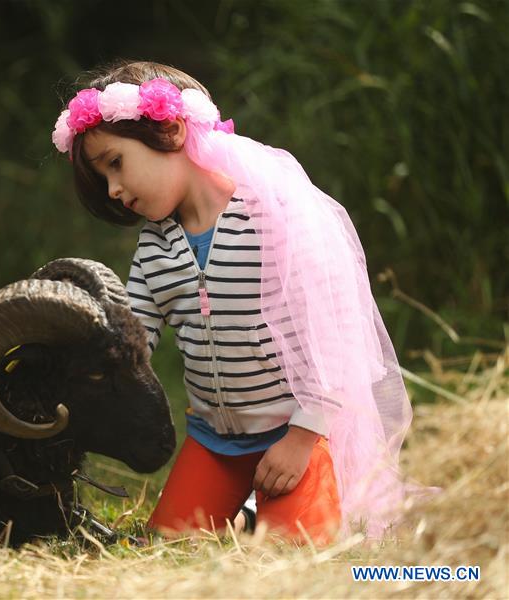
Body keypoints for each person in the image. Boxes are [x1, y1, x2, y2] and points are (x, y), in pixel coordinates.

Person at [50, 60, 413, 545]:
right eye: (103, 180)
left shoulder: (272, 214)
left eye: (115, 163)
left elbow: (335, 333)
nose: (114, 190)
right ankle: (242, 512)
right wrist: (72, 364)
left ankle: (262, 511)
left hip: (290, 435)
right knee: (169, 547)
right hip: (213, 441)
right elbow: (130, 337)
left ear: (172, 130)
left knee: (290, 557)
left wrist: (304, 437)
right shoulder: (155, 247)